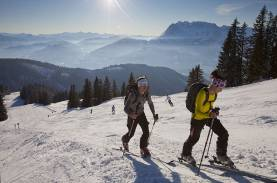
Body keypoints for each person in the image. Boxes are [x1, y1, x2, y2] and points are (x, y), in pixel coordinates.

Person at [181, 70, 233, 165]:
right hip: (197, 119)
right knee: (194, 138)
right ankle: (185, 154)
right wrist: (209, 114)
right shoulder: (202, 93)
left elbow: (208, 106)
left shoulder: (214, 94)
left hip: (208, 116)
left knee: (223, 133)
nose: (222, 88)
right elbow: (197, 113)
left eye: (223, 86)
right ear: (215, 84)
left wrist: (213, 111)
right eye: (221, 86)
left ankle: (221, 156)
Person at [122, 76, 159, 157]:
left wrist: (153, 114)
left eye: (145, 83)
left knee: (146, 132)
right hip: (132, 114)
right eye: (141, 84)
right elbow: (125, 108)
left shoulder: (146, 93)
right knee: (131, 133)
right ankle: (124, 140)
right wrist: (131, 114)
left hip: (141, 113)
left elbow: (150, 103)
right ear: (138, 85)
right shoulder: (133, 94)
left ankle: (143, 147)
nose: (143, 86)